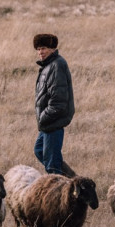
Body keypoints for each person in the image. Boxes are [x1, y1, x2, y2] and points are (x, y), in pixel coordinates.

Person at [33, 33, 76, 177]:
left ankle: (62, 189)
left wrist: (44, 117)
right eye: (38, 49)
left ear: (52, 48)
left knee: (52, 165)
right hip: (47, 121)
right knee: (40, 151)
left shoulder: (57, 65)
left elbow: (59, 101)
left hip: (53, 120)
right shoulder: (48, 65)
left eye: (43, 48)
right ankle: (72, 179)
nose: (40, 52)